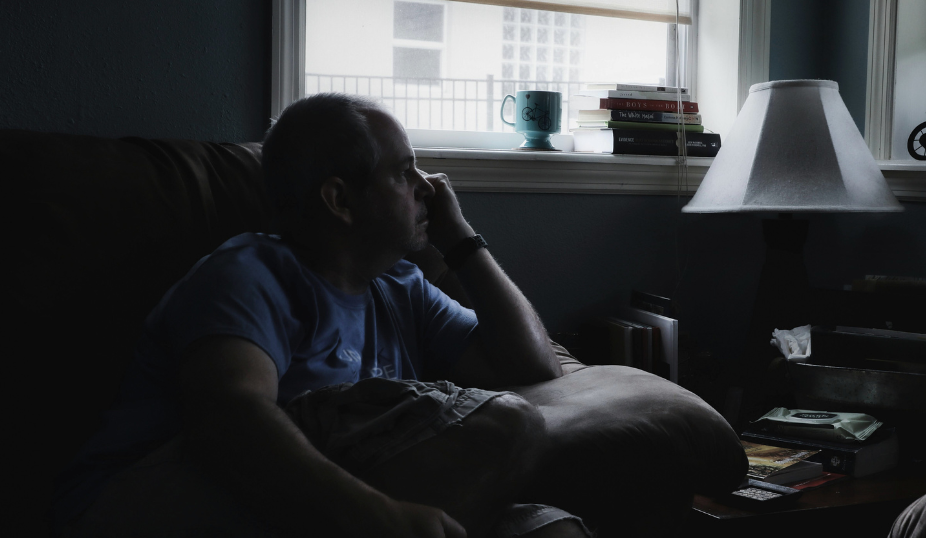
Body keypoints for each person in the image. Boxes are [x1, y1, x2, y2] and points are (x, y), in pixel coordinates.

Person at [52, 93, 587, 538]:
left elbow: (532, 365)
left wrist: (462, 241)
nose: (429, 187)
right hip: (151, 497)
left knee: (551, 530)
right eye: (404, 173)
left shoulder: (402, 288)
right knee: (507, 424)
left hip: (301, 506)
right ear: (340, 200)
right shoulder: (250, 273)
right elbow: (227, 415)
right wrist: (377, 516)